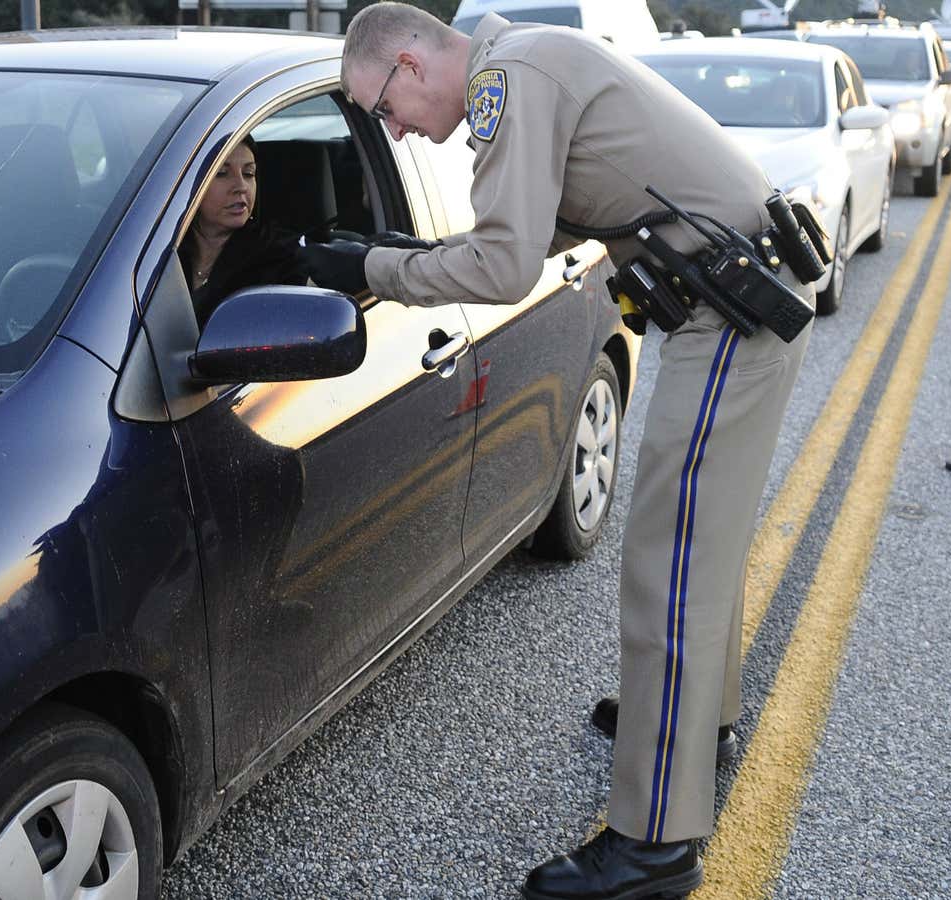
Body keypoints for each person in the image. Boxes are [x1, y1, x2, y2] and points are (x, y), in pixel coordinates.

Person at [300, 4, 813, 898]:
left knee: (673, 552)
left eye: (381, 106)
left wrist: (374, 270)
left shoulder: (509, 81)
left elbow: (503, 268)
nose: (392, 128)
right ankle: (695, 728)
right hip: (732, 299)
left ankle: (654, 845)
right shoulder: (528, 61)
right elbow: (542, 232)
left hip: (732, 312)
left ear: (411, 63)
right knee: (700, 535)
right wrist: (413, 252)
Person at [179, 135, 308, 322]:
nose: (241, 187)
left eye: (249, 174)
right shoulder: (158, 249)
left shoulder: (279, 255)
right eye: (221, 173)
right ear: (191, 182)